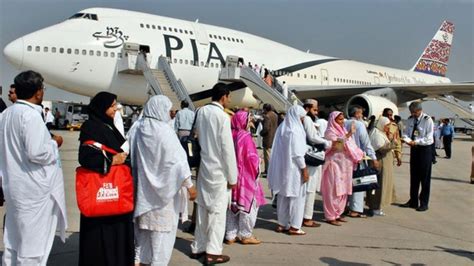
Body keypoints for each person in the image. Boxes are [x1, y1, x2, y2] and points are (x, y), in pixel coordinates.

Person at [0, 70, 67, 265]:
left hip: (14, 187)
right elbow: (37, 153)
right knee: (33, 247)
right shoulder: (30, 116)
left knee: (13, 242)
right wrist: (55, 143)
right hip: (34, 192)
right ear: (38, 93)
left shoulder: (5, 114)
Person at [129, 95, 197, 265]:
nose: (170, 113)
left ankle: (141, 260)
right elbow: (178, 161)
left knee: (143, 233)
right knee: (161, 238)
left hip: (144, 193)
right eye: (167, 110)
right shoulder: (164, 131)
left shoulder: (139, 128)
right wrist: (190, 186)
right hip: (165, 198)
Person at [78, 91, 134, 266]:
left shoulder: (109, 125)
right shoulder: (90, 127)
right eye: (112, 105)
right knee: (100, 242)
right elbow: (85, 155)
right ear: (102, 108)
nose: (116, 108)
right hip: (102, 194)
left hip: (117, 194)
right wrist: (111, 161)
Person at [190, 83, 238, 265]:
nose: (230, 100)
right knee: (217, 213)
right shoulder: (223, 117)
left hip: (205, 166)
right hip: (219, 170)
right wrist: (233, 177)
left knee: (202, 208)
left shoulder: (201, 112)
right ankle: (213, 251)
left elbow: (199, 138)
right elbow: (227, 149)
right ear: (224, 96)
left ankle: (198, 247)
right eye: (229, 97)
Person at [225, 110, 266, 245]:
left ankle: (230, 234)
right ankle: (245, 234)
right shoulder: (245, 136)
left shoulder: (231, 135)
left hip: (231, 176)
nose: (250, 123)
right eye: (248, 120)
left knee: (232, 206)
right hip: (245, 177)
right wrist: (258, 162)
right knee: (249, 205)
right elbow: (250, 157)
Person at [268, 105, 309, 235]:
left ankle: (282, 223)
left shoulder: (283, 128)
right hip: (294, 169)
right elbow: (297, 154)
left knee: (283, 196)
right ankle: (295, 226)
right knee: (297, 198)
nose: (302, 121)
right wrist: (304, 170)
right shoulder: (295, 130)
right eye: (302, 118)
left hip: (282, 168)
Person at [321, 111, 364, 226]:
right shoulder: (330, 131)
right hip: (334, 165)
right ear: (333, 120)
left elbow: (352, 146)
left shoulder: (343, 130)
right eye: (339, 119)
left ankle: (338, 213)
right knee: (333, 191)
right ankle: (330, 216)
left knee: (343, 191)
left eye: (343, 119)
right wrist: (349, 134)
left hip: (345, 166)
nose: (342, 121)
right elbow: (336, 146)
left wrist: (358, 154)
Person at [302, 99, 331, 227]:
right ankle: (307, 217)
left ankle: (303, 216)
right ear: (308, 108)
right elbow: (312, 136)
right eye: (314, 109)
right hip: (311, 156)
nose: (317, 112)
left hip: (306, 155)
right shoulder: (307, 119)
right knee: (310, 188)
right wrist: (326, 142)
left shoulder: (307, 119)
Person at [345, 106, 378, 218]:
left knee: (345, 184)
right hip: (357, 158)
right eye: (361, 113)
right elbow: (366, 143)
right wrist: (373, 157)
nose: (362, 116)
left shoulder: (343, 123)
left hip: (344, 159)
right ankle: (355, 209)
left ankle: (343, 206)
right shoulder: (359, 125)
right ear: (357, 113)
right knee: (358, 184)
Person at [400, 102, 434, 212]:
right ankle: (413, 201)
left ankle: (424, 202)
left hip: (425, 150)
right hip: (414, 149)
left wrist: (417, 142)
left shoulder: (427, 120)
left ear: (419, 110)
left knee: (424, 178)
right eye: (411, 112)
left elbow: (429, 138)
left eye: (414, 112)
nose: (413, 114)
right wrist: (408, 140)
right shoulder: (410, 120)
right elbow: (405, 133)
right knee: (414, 177)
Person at [367, 117, 398, 216]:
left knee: (381, 184)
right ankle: (375, 207)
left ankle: (377, 206)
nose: (387, 128)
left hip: (384, 163)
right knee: (379, 185)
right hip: (380, 163)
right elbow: (382, 149)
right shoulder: (376, 134)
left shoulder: (380, 132)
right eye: (386, 126)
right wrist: (393, 143)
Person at [260, 103, 278, 176]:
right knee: (272, 155)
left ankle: (268, 171)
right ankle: (271, 170)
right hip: (274, 137)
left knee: (267, 156)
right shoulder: (275, 115)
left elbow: (266, 128)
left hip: (268, 138)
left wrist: (261, 133)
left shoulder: (267, 116)